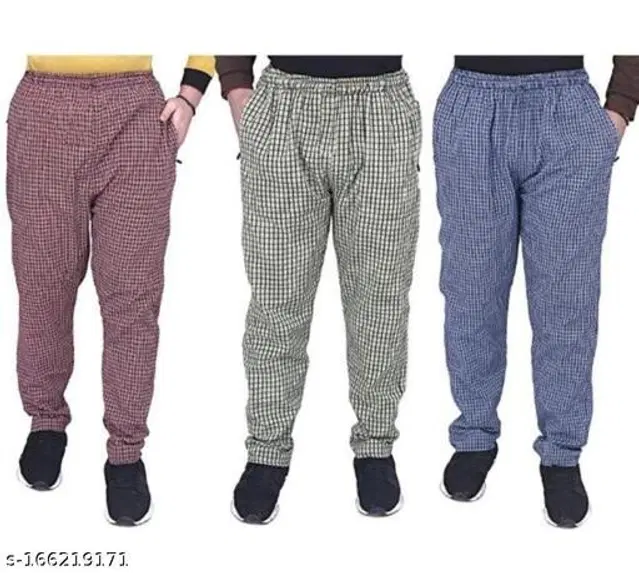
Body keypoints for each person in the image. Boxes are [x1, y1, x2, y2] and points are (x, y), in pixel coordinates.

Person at [7, 54, 215, 526]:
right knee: (43, 287)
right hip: (42, 108)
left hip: (136, 112)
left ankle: (126, 451)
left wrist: (190, 94)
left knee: (132, 298)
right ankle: (45, 421)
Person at [434, 56, 638, 527]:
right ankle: (474, 434)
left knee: (567, 301)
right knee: (471, 292)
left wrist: (622, 105)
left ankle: (562, 453)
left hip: (567, 105)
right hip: (472, 101)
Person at [216, 56, 422, 524]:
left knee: (380, 301)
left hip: (380, 102)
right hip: (284, 102)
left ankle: (376, 444)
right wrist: (236, 83)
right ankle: (266, 450)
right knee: (277, 300)